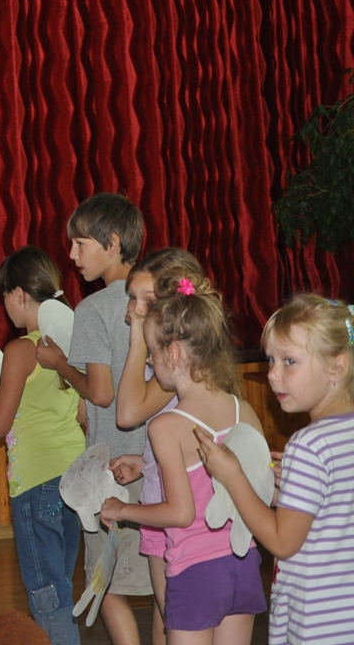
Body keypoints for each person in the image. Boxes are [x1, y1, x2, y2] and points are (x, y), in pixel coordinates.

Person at [100, 275, 266, 644]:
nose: (149, 360)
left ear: (174, 355)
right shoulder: (243, 409)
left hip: (196, 572)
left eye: (151, 351)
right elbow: (261, 488)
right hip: (243, 563)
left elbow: (180, 513)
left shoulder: (166, 426)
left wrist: (121, 509)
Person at [197, 294, 354, 644]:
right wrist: (287, 493)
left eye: (289, 361)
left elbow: (283, 542)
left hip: (316, 623)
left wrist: (233, 476)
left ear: (336, 368)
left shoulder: (309, 445)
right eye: (270, 359)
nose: (272, 373)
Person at [0, 247, 85, 644]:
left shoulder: (21, 350)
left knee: (48, 597)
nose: (4, 305)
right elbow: (82, 414)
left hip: (37, 482)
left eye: (4, 296)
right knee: (60, 585)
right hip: (73, 476)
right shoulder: (68, 342)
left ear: (20, 294)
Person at [35, 192, 152, 644]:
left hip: (116, 465)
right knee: (164, 579)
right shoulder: (159, 294)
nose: (71, 254)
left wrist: (60, 364)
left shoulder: (92, 309)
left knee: (106, 583)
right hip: (157, 458)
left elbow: (101, 393)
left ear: (113, 243)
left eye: (80, 244)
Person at [110, 248, 205, 645]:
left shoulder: (176, 366)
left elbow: (127, 413)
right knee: (168, 621)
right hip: (167, 493)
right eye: (132, 299)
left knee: (179, 621)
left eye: (146, 301)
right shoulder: (180, 365)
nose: (135, 310)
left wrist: (138, 339)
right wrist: (146, 462)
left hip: (178, 512)